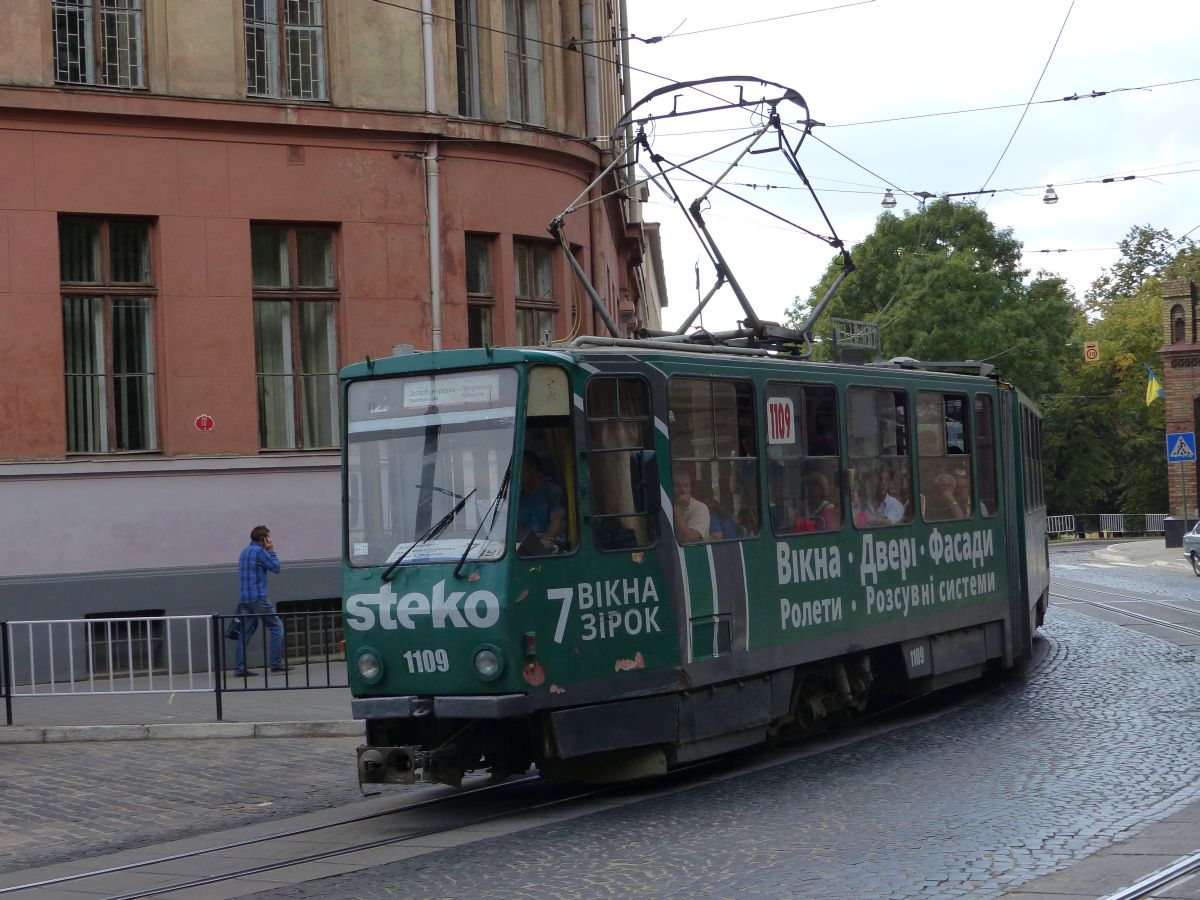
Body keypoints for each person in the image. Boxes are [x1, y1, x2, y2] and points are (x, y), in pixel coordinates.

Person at [234, 525, 286, 676]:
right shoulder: (260, 552)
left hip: (245, 599)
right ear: (264, 539)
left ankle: (240, 668)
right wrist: (271, 551)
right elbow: (276, 568)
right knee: (277, 628)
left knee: (244, 634)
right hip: (258, 598)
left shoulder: (244, 552)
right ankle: (276, 664)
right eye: (269, 538)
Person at [516, 451, 566, 554]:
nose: (514, 474)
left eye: (519, 470)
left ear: (533, 470)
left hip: (547, 544)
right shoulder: (516, 497)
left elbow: (557, 517)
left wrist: (549, 538)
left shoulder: (552, 492)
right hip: (521, 544)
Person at [672, 466, 710, 544]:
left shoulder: (701, 508)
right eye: (678, 486)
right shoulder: (667, 506)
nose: (683, 490)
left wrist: (677, 509)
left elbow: (688, 539)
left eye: (686, 486)